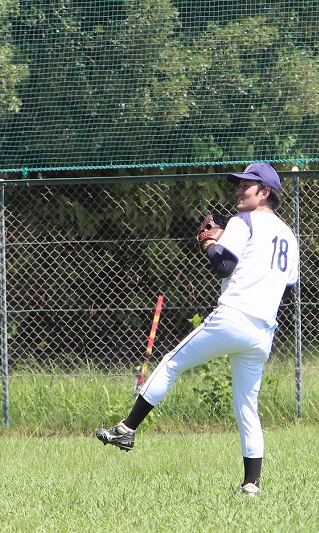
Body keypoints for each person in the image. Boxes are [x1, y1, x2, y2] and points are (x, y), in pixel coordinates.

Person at [96, 162, 299, 497]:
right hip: (263, 330)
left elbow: (224, 265)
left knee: (171, 362)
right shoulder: (289, 235)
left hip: (233, 317)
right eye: (238, 184)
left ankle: (127, 428)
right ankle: (251, 483)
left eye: (246, 185)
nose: (239, 190)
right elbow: (287, 286)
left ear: (265, 192)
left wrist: (209, 242)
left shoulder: (243, 220)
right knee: (246, 406)